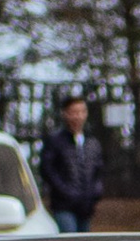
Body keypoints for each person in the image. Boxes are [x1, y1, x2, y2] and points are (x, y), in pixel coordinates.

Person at [38, 93, 106, 232]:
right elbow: (47, 169)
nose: (78, 116)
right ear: (65, 114)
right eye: (74, 112)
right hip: (64, 204)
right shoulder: (55, 141)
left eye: (81, 112)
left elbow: (98, 170)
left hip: (86, 205)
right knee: (69, 238)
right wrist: (65, 191)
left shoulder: (92, 142)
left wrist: (96, 192)